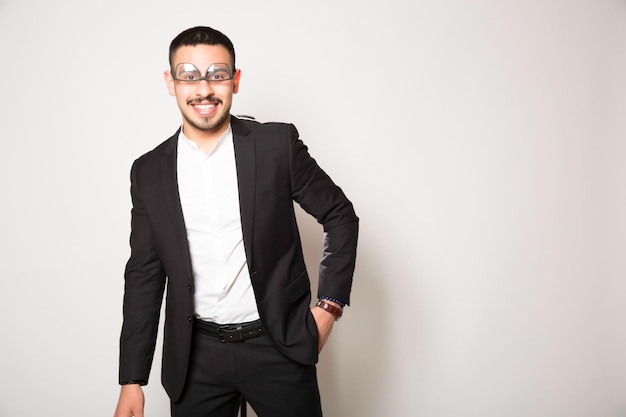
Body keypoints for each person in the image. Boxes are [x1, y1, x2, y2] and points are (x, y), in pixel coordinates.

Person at [113, 26, 359, 417]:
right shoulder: (149, 171)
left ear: (235, 80)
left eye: (217, 73)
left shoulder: (276, 146)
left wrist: (329, 308)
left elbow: (340, 216)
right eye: (190, 75)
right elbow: (143, 274)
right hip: (196, 357)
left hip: (279, 344)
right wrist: (131, 380)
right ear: (171, 82)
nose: (204, 88)